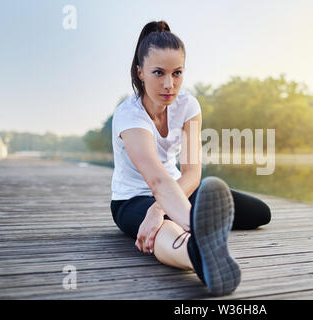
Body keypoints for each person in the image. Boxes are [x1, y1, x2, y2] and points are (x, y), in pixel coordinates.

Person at [110, 20, 271, 296]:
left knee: (259, 213)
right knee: (165, 230)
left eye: (177, 73)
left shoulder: (188, 106)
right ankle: (199, 256)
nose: (169, 84)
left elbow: (193, 173)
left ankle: (198, 231)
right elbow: (157, 179)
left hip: (177, 192)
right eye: (158, 73)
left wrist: (159, 210)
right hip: (133, 199)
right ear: (140, 73)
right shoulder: (129, 115)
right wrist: (176, 218)